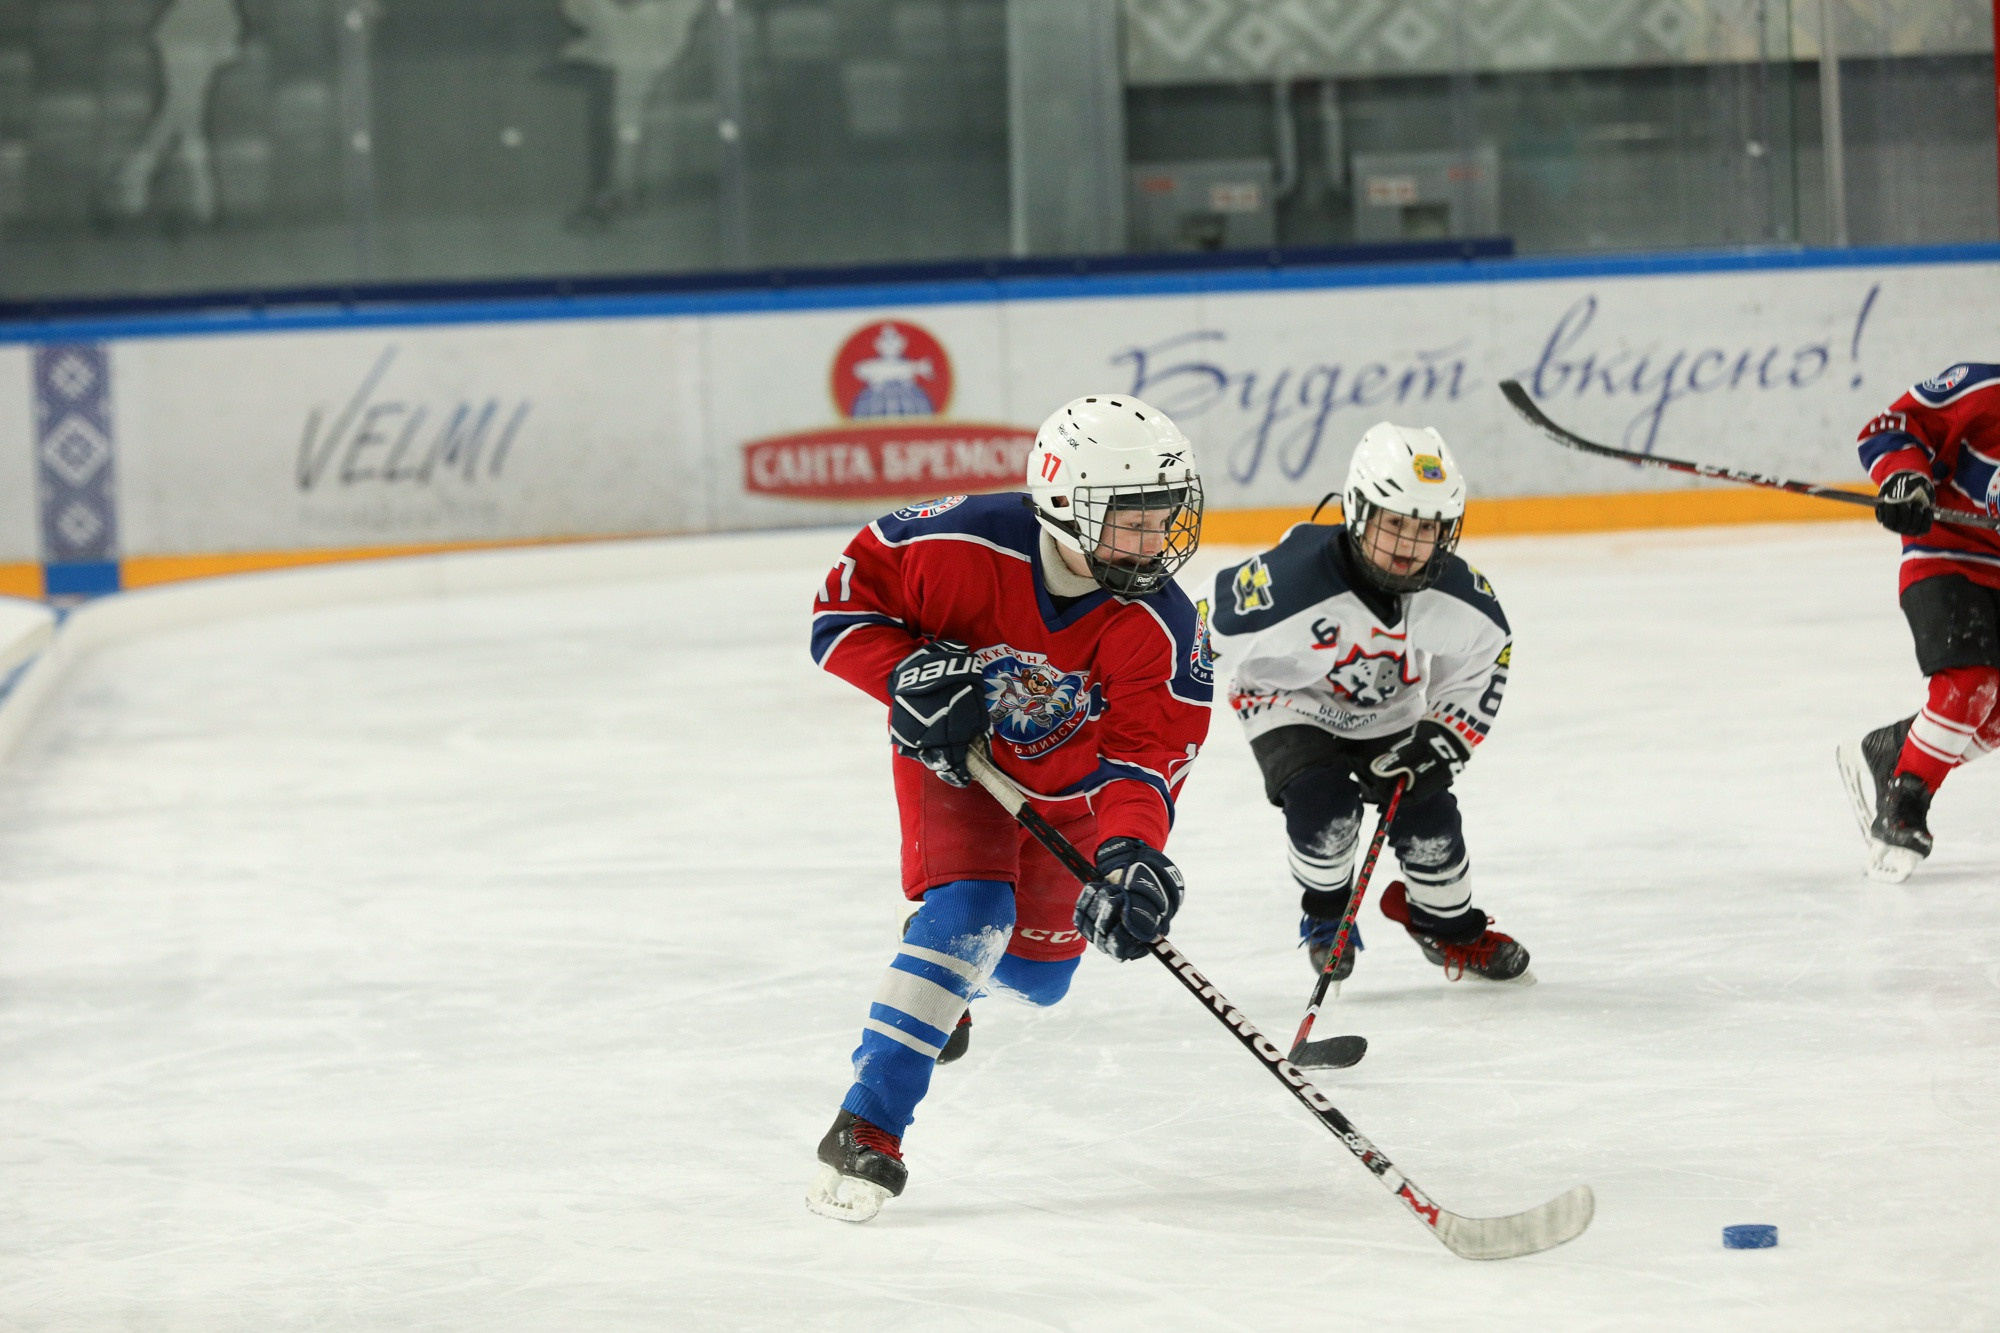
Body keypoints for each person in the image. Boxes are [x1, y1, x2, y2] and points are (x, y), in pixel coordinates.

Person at [805, 394, 1212, 1222]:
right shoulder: (949, 541)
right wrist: (905, 677)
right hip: (958, 764)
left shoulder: (1164, 625)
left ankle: (942, 984)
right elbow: (838, 615)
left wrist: (1131, 855)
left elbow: (1142, 760)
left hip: (1067, 798)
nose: (1154, 540)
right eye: (1129, 519)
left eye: (1162, 517)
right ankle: (868, 1124)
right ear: (1062, 504)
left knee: (1039, 977)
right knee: (973, 910)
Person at [1208, 422, 1527, 989]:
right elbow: (1199, 636)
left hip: (1389, 713)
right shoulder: (1291, 582)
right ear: (1358, 512)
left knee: (1431, 822)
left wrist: (1444, 735)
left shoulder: (1449, 592)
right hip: (1289, 702)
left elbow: (1486, 652)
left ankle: (1445, 927)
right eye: (1395, 523)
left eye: (1426, 528)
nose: (1409, 544)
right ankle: (1327, 915)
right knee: (1324, 810)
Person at [1838, 362, 2000, 882]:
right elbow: (1890, 428)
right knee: (1971, 682)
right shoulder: (1982, 389)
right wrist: (1905, 477)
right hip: (1946, 557)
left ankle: (1897, 748)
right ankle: (1905, 803)